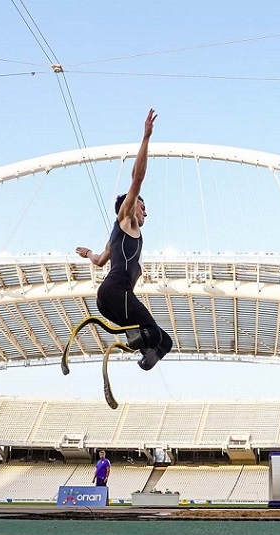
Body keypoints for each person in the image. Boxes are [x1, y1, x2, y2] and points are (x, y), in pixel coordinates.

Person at [75, 108, 173, 371]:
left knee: (161, 342)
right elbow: (137, 178)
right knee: (158, 334)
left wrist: (86, 253)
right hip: (116, 294)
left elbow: (99, 261)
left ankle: (141, 346)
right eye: (143, 207)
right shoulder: (126, 219)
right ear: (130, 207)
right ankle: (141, 343)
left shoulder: (113, 240)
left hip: (107, 301)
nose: (145, 212)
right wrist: (146, 138)